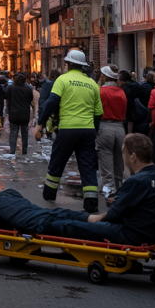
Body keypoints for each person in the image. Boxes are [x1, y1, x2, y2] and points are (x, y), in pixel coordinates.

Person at [0, 133, 155, 246]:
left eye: (124, 153)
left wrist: (92, 220)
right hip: (150, 232)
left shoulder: (137, 182)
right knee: (68, 215)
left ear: (133, 156)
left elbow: (112, 216)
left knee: (65, 224)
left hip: (129, 234)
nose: (123, 157)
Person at [34, 48, 103, 212]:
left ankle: (50, 193)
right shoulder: (92, 84)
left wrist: (41, 124)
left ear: (69, 64)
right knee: (88, 165)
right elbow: (98, 113)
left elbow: (51, 103)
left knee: (58, 161)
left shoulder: (63, 80)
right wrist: (94, 130)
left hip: (67, 129)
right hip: (87, 130)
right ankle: (91, 202)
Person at [96, 64, 126, 200]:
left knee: (105, 157)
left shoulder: (100, 91)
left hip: (105, 126)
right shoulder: (121, 92)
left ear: (104, 77)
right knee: (119, 159)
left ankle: (109, 188)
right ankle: (119, 185)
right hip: (119, 127)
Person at [5, 73, 35, 156]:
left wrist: (7, 111)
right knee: (24, 133)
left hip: (13, 113)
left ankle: (12, 150)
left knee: (13, 133)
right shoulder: (29, 88)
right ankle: (24, 150)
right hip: (25, 114)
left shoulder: (11, 88)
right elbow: (30, 99)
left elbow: (7, 98)